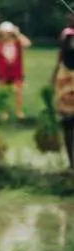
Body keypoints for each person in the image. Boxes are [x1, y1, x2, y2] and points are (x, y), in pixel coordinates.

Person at [0, 21, 31, 119]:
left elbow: (28, 44)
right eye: (4, 32)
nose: (6, 34)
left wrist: (18, 34)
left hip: (16, 72)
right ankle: (4, 112)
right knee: (3, 93)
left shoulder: (17, 42)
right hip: (2, 72)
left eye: (8, 32)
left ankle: (19, 112)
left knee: (18, 93)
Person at [53, 28, 74, 171]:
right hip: (66, 80)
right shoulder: (66, 35)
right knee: (67, 123)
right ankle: (71, 163)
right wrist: (53, 76)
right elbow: (61, 56)